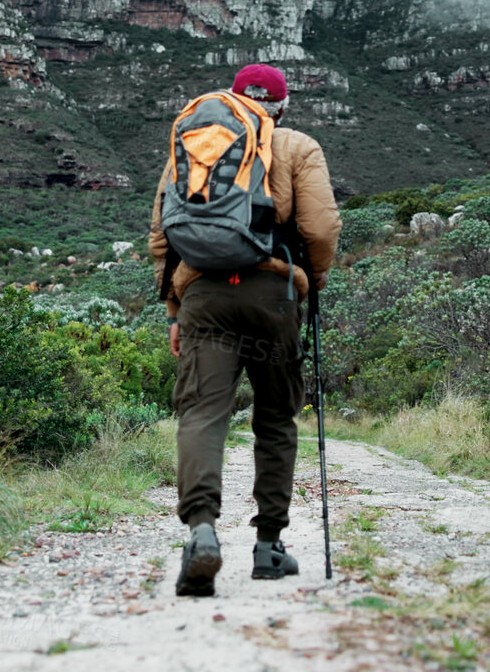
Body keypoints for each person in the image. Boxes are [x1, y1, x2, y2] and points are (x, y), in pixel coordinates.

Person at [148, 63, 341, 597]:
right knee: (276, 417)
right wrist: (314, 277)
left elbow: (162, 233)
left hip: (204, 297)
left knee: (203, 412)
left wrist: (172, 308)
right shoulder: (299, 146)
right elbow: (320, 227)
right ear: (282, 106)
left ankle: (201, 532)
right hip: (271, 295)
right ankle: (268, 547)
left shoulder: (200, 143)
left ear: (233, 101)